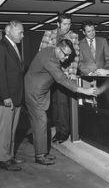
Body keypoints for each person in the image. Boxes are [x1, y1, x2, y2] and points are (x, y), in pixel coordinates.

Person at [25, 38, 97, 165]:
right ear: (58, 49)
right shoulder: (50, 60)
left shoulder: (50, 51)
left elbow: (58, 74)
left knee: (38, 122)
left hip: (35, 89)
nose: (67, 58)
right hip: (34, 93)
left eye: (69, 55)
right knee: (41, 122)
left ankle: (41, 152)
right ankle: (40, 156)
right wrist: (85, 91)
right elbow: (61, 80)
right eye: (65, 54)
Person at [39, 13, 79, 143]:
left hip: (64, 75)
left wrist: (72, 73)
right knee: (54, 103)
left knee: (62, 103)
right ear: (58, 24)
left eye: (69, 24)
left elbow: (76, 56)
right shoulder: (48, 34)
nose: (67, 27)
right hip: (50, 74)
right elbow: (42, 52)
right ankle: (57, 129)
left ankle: (64, 131)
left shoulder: (73, 36)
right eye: (65, 24)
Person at [0, 20, 25, 171]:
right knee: (5, 130)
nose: (22, 36)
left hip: (15, 96)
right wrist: (5, 96)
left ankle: (9, 156)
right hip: (7, 98)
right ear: (8, 31)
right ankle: (3, 160)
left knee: (12, 130)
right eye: (20, 32)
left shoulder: (13, 46)